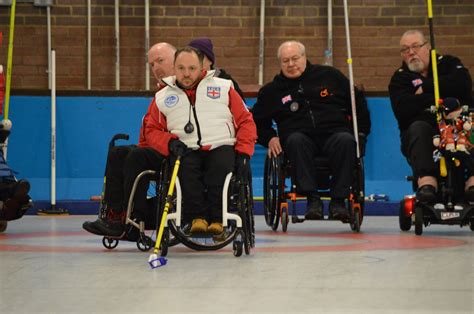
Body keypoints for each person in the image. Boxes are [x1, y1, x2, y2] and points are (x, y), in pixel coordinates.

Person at [252, 40, 371, 221]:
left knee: (347, 141)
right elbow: (256, 122)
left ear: (304, 57)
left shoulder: (330, 76)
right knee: (295, 140)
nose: (291, 64)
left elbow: (358, 105)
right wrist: (269, 138)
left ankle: (338, 202)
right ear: (280, 63)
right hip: (298, 139)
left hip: (334, 135)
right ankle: (312, 200)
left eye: (295, 58)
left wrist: (361, 134)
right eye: (285, 61)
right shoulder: (272, 91)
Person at [145, 46, 256, 234]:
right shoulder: (162, 97)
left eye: (192, 68)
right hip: (184, 148)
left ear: (201, 68)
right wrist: (169, 143)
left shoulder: (223, 87)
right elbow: (151, 130)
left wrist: (244, 151)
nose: (186, 74)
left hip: (220, 144)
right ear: (174, 68)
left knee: (220, 168)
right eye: (181, 68)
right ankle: (197, 218)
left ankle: (218, 220)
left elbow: (246, 121)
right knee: (185, 170)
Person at [83, 42, 176, 236]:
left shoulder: (179, 91)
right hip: (155, 146)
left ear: (176, 60)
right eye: (151, 64)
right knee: (118, 153)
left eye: (160, 61)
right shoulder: (161, 92)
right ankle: (114, 215)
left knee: (137, 155)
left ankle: (134, 219)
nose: (156, 68)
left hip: (172, 149)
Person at [389, 29, 474, 203]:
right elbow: (404, 110)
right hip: (422, 130)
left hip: (458, 126)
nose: (411, 52)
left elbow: (463, 85)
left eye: (415, 47)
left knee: (470, 124)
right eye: (405, 49)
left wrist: (425, 88)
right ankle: (427, 183)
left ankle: (472, 183)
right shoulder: (399, 79)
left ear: (427, 47)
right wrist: (446, 100)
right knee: (418, 128)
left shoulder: (449, 63)